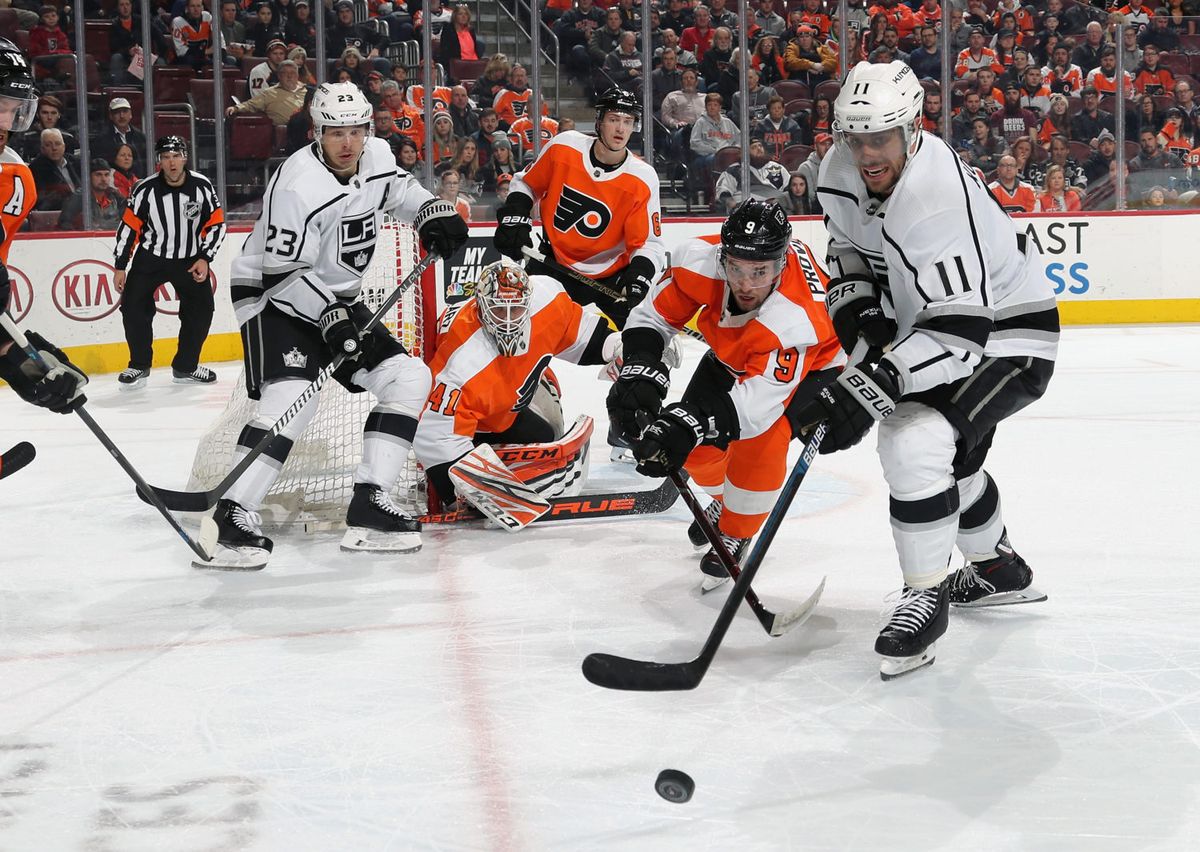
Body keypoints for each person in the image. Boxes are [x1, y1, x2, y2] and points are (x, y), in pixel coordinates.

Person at [801, 61, 1057, 680]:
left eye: (880, 138)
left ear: (912, 130)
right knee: (950, 462)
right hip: (930, 322)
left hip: (1007, 334)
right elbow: (845, 250)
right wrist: (861, 314)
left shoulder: (935, 200)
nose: (866, 153)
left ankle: (926, 597)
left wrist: (870, 386)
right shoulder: (840, 168)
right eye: (854, 137)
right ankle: (998, 570)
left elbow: (960, 335)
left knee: (913, 437)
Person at [203, 82, 468, 570]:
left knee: (407, 377)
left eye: (356, 131)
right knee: (292, 400)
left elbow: (401, 190)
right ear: (317, 132)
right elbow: (281, 274)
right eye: (336, 132)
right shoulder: (296, 183)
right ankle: (233, 511)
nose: (348, 143)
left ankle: (369, 502)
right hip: (272, 296)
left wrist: (433, 211)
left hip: (337, 298)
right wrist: (329, 319)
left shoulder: (377, 155)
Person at [607, 199, 841, 589]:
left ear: (781, 264)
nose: (746, 283)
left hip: (816, 364)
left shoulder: (797, 316)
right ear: (722, 256)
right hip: (733, 352)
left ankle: (738, 530)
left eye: (760, 271)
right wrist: (641, 374)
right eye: (736, 268)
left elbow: (753, 413)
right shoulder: (696, 261)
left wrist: (689, 423)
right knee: (695, 450)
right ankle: (725, 500)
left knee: (762, 438)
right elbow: (653, 317)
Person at [413, 260, 616, 511]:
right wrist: (462, 494)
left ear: (528, 303)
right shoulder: (462, 364)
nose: (508, 321)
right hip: (470, 416)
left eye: (516, 309)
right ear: (481, 306)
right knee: (461, 447)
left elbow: (583, 334)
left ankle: (533, 392)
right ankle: (474, 448)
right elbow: (433, 433)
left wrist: (621, 346)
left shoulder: (546, 298)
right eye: (499, 310)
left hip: (506, 398)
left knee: (547, 432)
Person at [494, 88, 665, 331]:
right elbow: (526, 183)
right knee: (516, 328)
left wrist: (638, 277)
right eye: (614, 120)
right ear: (599, 122)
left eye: (628, 122)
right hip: (552, 261)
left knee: (641, 337)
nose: (621, 129)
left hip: (611, 275)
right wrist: (515, 216)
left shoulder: (642, 177)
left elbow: (648, 242)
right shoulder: (565, 146)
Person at [110, 137, 226, 389]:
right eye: (165, 157)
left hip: (190, 258)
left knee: (201, 310)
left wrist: (205, 257)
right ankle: (138, 365)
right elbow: (130, 227)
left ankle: (186, 365)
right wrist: (120, 265)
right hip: (151, 257)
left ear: (185, 157)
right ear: (158, 161)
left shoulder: (202, 186)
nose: (171, 162)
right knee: (132, 307)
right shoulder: (145, 189)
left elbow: (217, 224)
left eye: (176, 155)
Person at [225, 60, 307, 126]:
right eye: (285, 73)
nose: (289, 76)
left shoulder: (307, 90)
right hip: (290, 130)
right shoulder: (269, 93)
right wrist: (235, 108)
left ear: (297, 75)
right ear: (279, 76)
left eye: (292, 73)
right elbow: (250, 105)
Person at [58, 159, 127, 230]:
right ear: (89, 177)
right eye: (98, 175)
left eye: (106, 175)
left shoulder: (117, 197)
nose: (103, 179)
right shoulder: (79, 198)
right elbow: (64, 224)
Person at [92, 96, 148, 175]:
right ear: (111, 116)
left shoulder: (141, 137)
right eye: (117, 112)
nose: (121, 116)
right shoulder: (101, 139)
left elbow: (146, 163)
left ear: (130, 114)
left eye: (125, 111)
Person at [171, 0, 215, 72]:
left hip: (204, 58)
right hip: (185, 59)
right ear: (187, 8)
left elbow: (219, 40)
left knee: (222, 63)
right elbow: (181, 51)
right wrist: (205, 52)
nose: (196, 9)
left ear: (202, 7)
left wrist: (220, 50)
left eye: (198, 6)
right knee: (189, 61)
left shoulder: (208, 17)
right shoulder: (177, 22)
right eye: (192, 6)